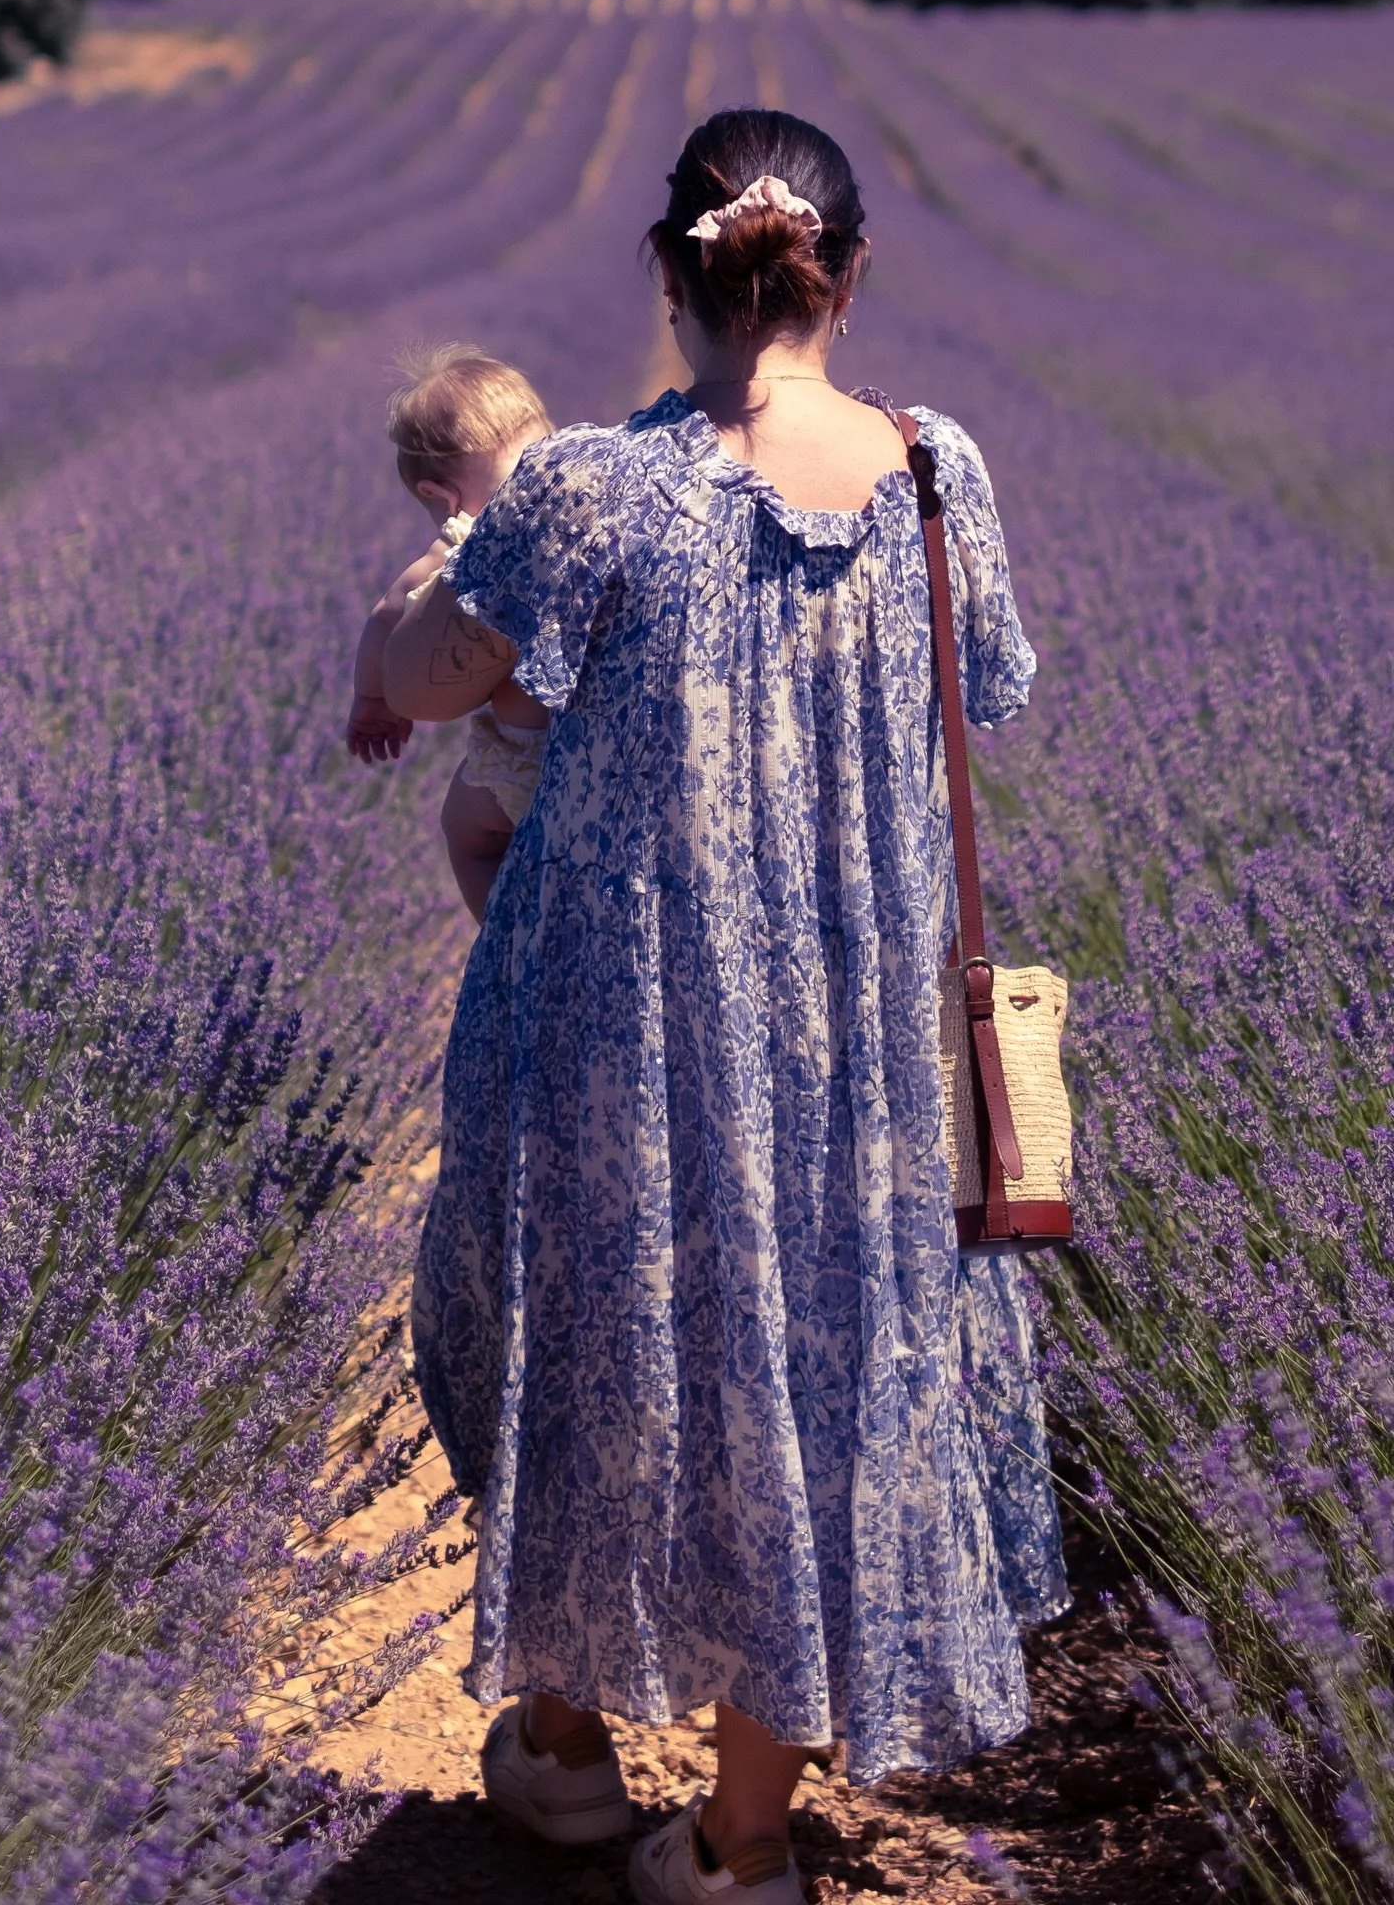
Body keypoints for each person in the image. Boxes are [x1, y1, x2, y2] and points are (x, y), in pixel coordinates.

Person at [385, 110, 1070, 1905]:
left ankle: (560, 1754)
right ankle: (742, 1848)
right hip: (858, 1048)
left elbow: (434, 674)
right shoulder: (941, 475)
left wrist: (403, 614)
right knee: (817, 1392)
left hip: (616, 1022)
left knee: (576, 1344)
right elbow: (984, 685)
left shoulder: (592, 487)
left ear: (670, 276)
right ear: (849, 276)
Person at [345, 343, 553, 919]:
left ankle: (506, 941)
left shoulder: (454, 550)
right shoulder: (579, 514)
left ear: (437, 496)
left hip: (524, 761)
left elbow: (385, 616)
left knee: (465, 834)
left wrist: (373, 700)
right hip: (594, 743)